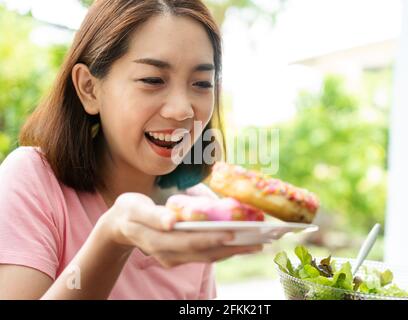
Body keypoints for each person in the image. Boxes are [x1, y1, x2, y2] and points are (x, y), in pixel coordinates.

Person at [0, 0, 262, 300]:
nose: (181, 110)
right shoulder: (32, 181)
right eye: (152, 80)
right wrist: (112, 238)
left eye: (202, 83)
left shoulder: (197, 211)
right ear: (89, 88)